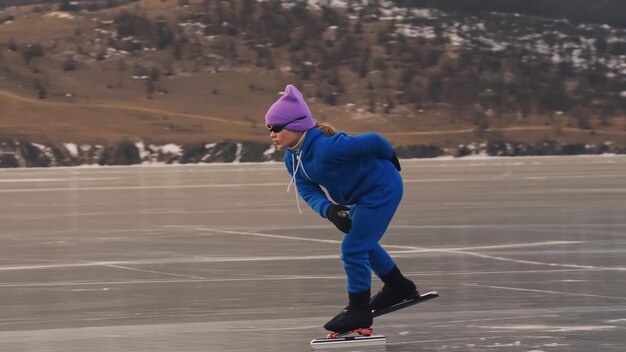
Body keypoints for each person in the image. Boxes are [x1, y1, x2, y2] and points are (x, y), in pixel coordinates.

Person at [265, 84, 418, 333]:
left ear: (296, 125)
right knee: (362, 242)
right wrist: (330, 210)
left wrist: (390, 155)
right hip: (361, 196)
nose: (272, 133)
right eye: (269, 129)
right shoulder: (292, 157)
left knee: (353, 248)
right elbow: (307, 190)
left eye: (276, 127)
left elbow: (373, 140)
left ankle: (358, 310)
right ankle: (398, 286)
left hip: (382, 189)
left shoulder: (327, 147)